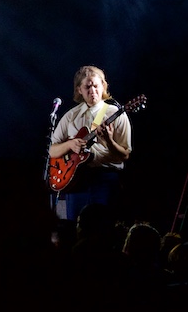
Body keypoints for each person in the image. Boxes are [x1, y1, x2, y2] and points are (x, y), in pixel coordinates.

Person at [48, 65, 131, 221]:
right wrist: (69, 145)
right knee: (73, 227)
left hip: (105, 180)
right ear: (79, 89)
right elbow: (51, 150)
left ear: (103, 86)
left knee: (104, 228)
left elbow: (125, 155)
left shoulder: (116, 114)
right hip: (76, 181)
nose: (92, 90)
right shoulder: (70, 116)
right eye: (87, 86)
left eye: (96, 85)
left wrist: (109, 140)